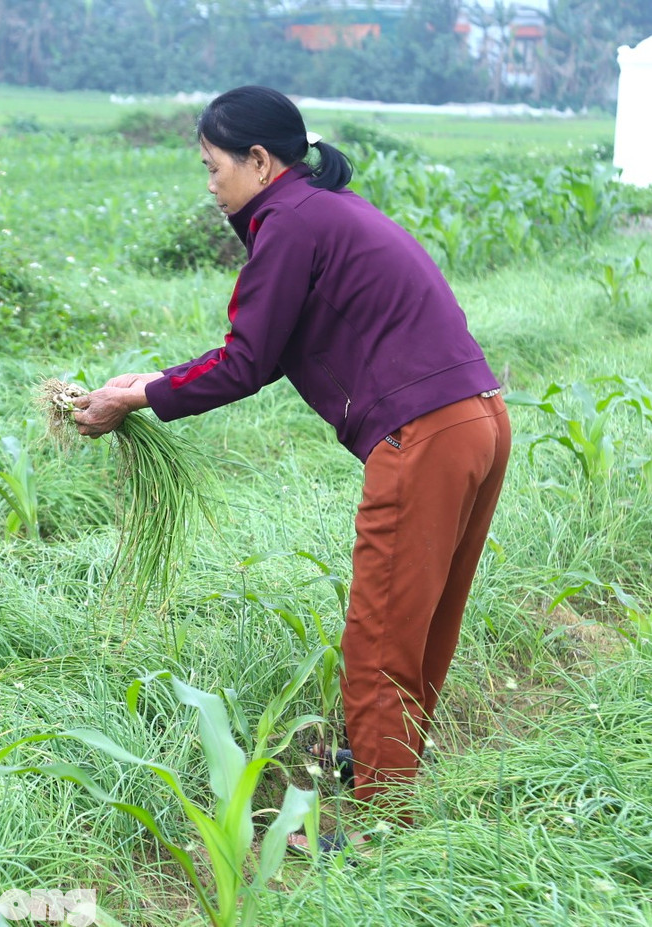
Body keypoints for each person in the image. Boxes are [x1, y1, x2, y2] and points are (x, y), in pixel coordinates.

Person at [72, 86, 510, 849]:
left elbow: (245, 362)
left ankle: (380, 833)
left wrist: (135, 396)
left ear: (259, 160)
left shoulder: (289, 222)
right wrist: (152, 384)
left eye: (212, 167)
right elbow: (264, 351)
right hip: (477, 419)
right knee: (421, 625)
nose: (210, 185)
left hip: (423, 434)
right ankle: (388, 772)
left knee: (379, 637)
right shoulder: (323, 211)